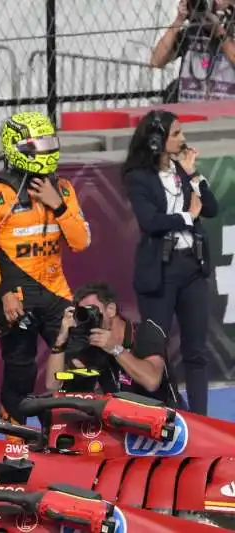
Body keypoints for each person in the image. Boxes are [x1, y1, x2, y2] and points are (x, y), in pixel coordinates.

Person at [0, 111, 91, 429]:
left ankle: (63, 435)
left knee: (74, 366)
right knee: (20, 374)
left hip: (57, 295)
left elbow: (81, 242)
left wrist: (58, 205)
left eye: (51, 143)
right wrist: (4, 291)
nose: (47, 151)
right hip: (16, 298)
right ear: (16, 147)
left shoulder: (62, 189)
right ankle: (16, 443)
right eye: (39, 145)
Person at [122, 110, 219, 415]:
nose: (183, 139)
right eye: (176, 134)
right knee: (155, 349)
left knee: (196, 351)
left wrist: (193, 175)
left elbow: (212, 208)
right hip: (161, 272)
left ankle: (202, 419)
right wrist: (187, 217)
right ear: (156, 140)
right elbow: (150, 221)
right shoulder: (138, 178)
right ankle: (158, 413)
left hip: (192, 267)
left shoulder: (182, 169)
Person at [44, 282, 182, 406]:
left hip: (168, 419)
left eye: (92, 310)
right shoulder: (93, 347)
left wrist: (116, 349)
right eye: (84, 313)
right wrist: (61, 339)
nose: (89, 317)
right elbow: (53, 384)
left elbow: (151, 381)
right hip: (123, 423)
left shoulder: (145, 332)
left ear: (111, 309)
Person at [150, 0, 235, 102]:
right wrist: (179, 20)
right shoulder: (190, 32)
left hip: (226, 112)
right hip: (190, 111)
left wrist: (218, 30)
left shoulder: (231, 27)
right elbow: (156, 61)